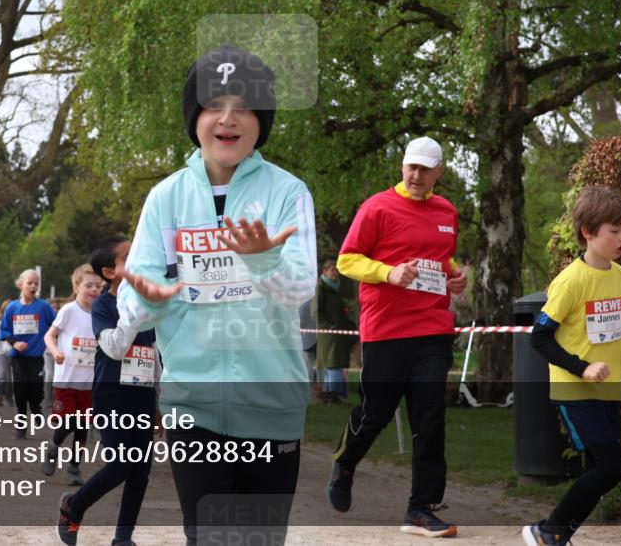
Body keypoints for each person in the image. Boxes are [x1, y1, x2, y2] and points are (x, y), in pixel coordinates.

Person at [103, 45, 316, 546]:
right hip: (192, 408)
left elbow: (300, 287)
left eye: (244, 106)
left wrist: (264, 260)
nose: (228, 119)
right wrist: (149, 300)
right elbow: (136, 299)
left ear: (262, 121)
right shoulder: (166, 198)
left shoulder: (289, 192)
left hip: (272, 406)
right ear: (194, 118)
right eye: (214, 105)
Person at [327, 136, 467, 538]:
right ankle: (345, 464)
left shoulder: (447, 211)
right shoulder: (377, 207)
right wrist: (388, 272)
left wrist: (455, 275)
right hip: (385, 330)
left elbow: (441, 255)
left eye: (425, 169)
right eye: (411, 167)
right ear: (403, 167)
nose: (416, 175)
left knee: (431, 417)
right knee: (376, 413)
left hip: (432, 329)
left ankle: (421, 508)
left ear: (438, 172)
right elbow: (347, 260)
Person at [522, 186, 621, 546]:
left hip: (608, 388)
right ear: (588, 232)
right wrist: (582, 367)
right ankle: (548, 531)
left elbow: (617, 329)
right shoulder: (570, 281)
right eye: (614, 231)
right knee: (612, 467)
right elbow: (540, 337)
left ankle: (555, 536)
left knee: (599, 470)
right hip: (575, 388)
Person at [57, 235, 159, 546]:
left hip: (143, 395)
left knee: (140, 471)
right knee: (120, 465)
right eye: (128, 256)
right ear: (110, 272)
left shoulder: (152, 302)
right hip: (112, 395)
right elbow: (114, 347)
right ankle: (73, 507)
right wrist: (134, 313)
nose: (137, 258)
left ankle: (123, 538)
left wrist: (160, 402)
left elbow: (156, 353)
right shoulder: (103, 305)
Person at [42, 264, 102, 486]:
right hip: (67, 379)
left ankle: (74, 467)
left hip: (90, 382)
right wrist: (56, 352)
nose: (94, 290)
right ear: (76, 287)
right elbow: (49, 336)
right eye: (89, 285)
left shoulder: (101, 312)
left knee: (83, 427)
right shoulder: (69, 310)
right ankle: (53, 446)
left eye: (98, 286)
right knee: (69, 422)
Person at [0, 269, 56, 438]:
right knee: (20, 391)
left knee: (35, 390)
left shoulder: (43, 306)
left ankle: (36, 409)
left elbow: (57, 324)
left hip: (36, 357)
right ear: (20, 285)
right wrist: (15, 343)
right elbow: (4, 331)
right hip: (18, 358)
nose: (33, 286)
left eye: (36, 283)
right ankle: (21, 426)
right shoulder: (12, 307)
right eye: (29, 283)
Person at [316, 259, 356, 404]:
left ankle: (328, 397)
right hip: (330, 335)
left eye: (337, 270)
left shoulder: (334, 288)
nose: (336, 272)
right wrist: (329, 327)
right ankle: (334, 397)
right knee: (334, 366)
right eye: (332, 269)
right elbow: (316, 312)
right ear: (324, 271)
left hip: (338, 335)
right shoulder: (320, 288)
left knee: (333, 366)